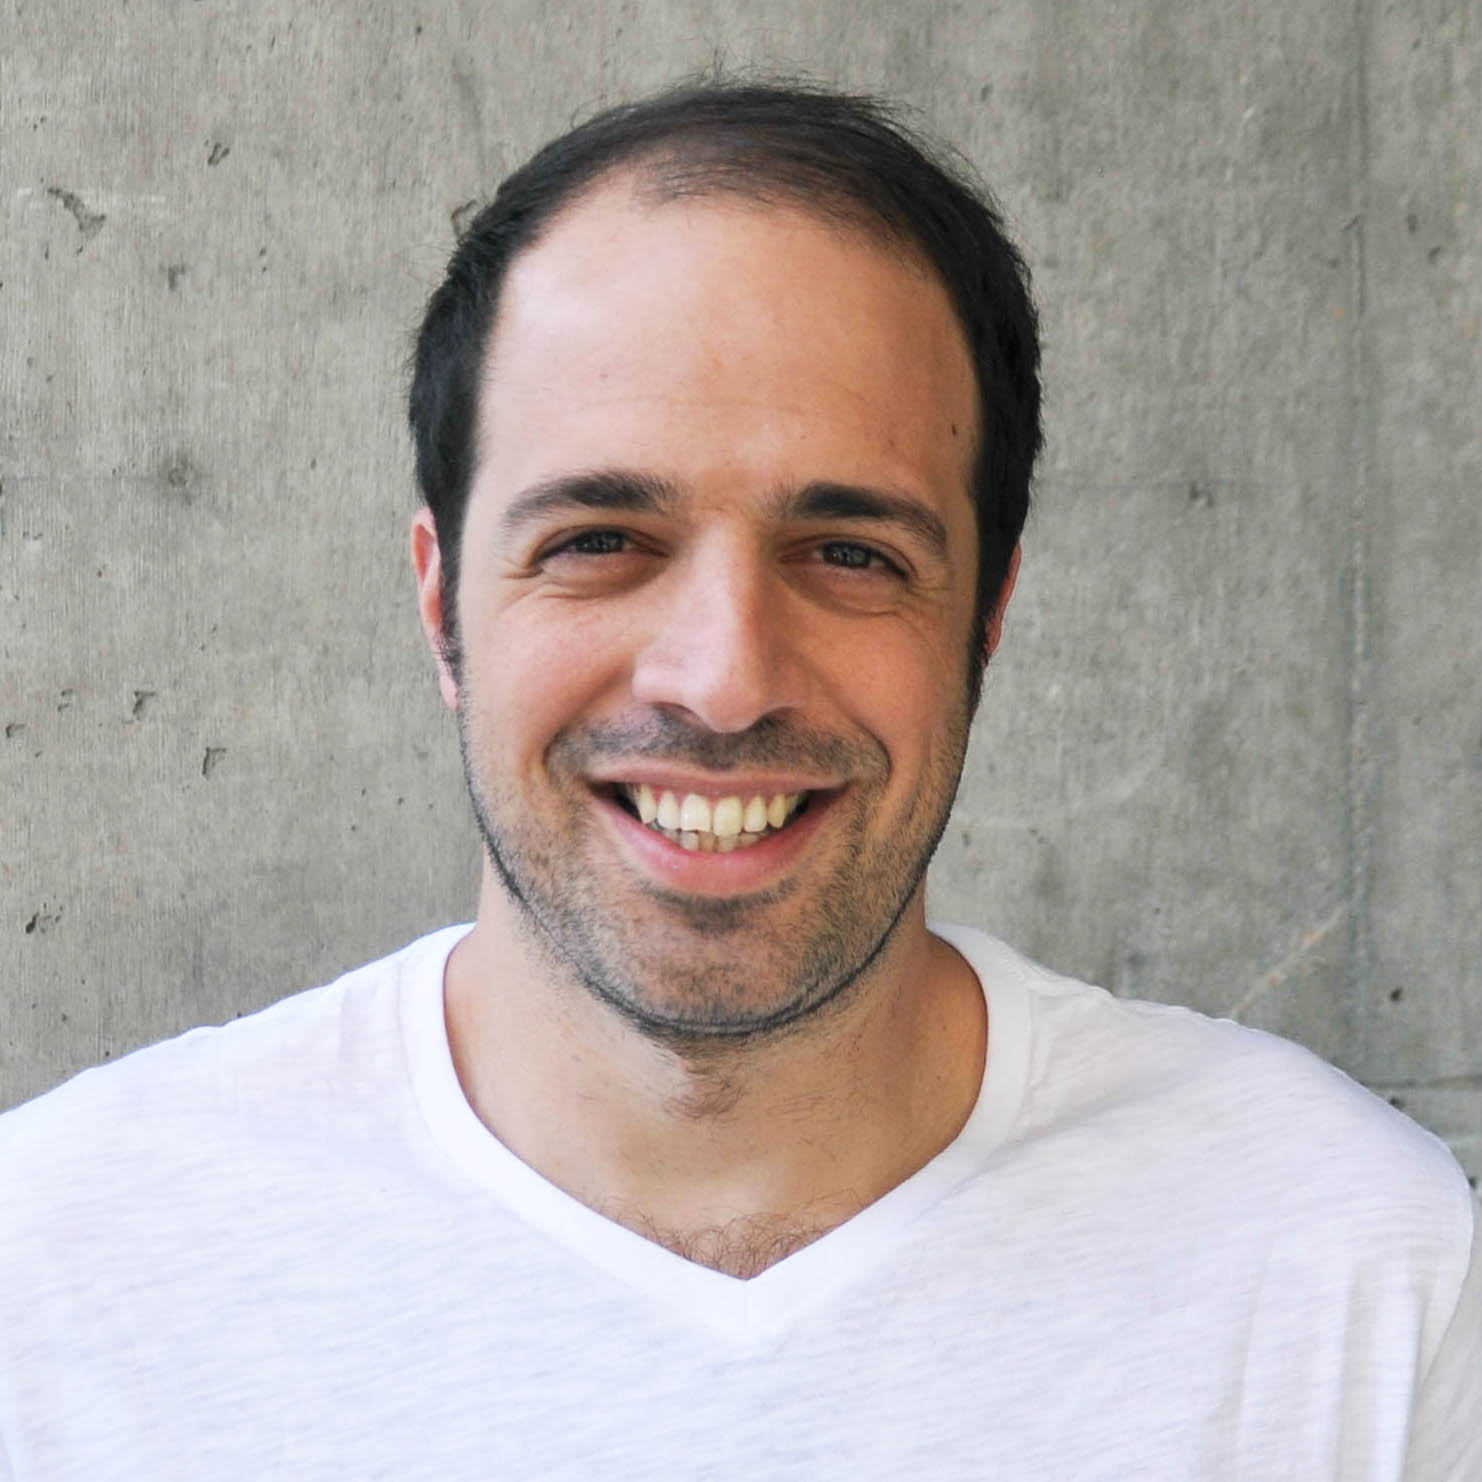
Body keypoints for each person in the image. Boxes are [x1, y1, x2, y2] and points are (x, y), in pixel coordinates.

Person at [1, 80, 1477, 1481]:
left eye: (849, 554)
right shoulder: (60, 1276)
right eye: (599, 542)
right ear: (442, 603)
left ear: (986, 616)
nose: (722, 678)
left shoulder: (1349, 1266)